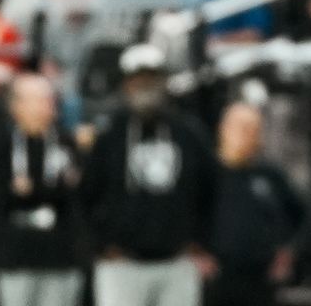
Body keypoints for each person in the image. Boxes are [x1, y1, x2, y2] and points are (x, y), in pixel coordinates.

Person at [78, 44, 219, 306]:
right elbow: (86, 194)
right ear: (126, 84)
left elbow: (211, 191)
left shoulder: (188, 134)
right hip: (122, 266)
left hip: (177, 262)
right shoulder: (110, 136)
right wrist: (100, 244)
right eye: (138, 80)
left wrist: (201, 241)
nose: (146, 88)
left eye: (152, 79)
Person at [0, 74, 83, 306]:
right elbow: (1, 195)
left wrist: (30, 191)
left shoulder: (66, 142)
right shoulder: (1, 144)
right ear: (16, 106)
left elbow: (74, 193)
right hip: (15, 256)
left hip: (61, 255)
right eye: (38, 99)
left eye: (49, 98)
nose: (47, 105)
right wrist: (52, 190)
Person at [206, 102, 304, 306]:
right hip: (213, 278)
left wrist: (288, 252)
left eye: (253, 129)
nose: (247, 134)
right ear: (223, 129)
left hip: (261, 278)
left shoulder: (270, 175)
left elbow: (301, 216)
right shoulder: (205, 172)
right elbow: (181, 213)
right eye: (241, 127)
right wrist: (191, 251)